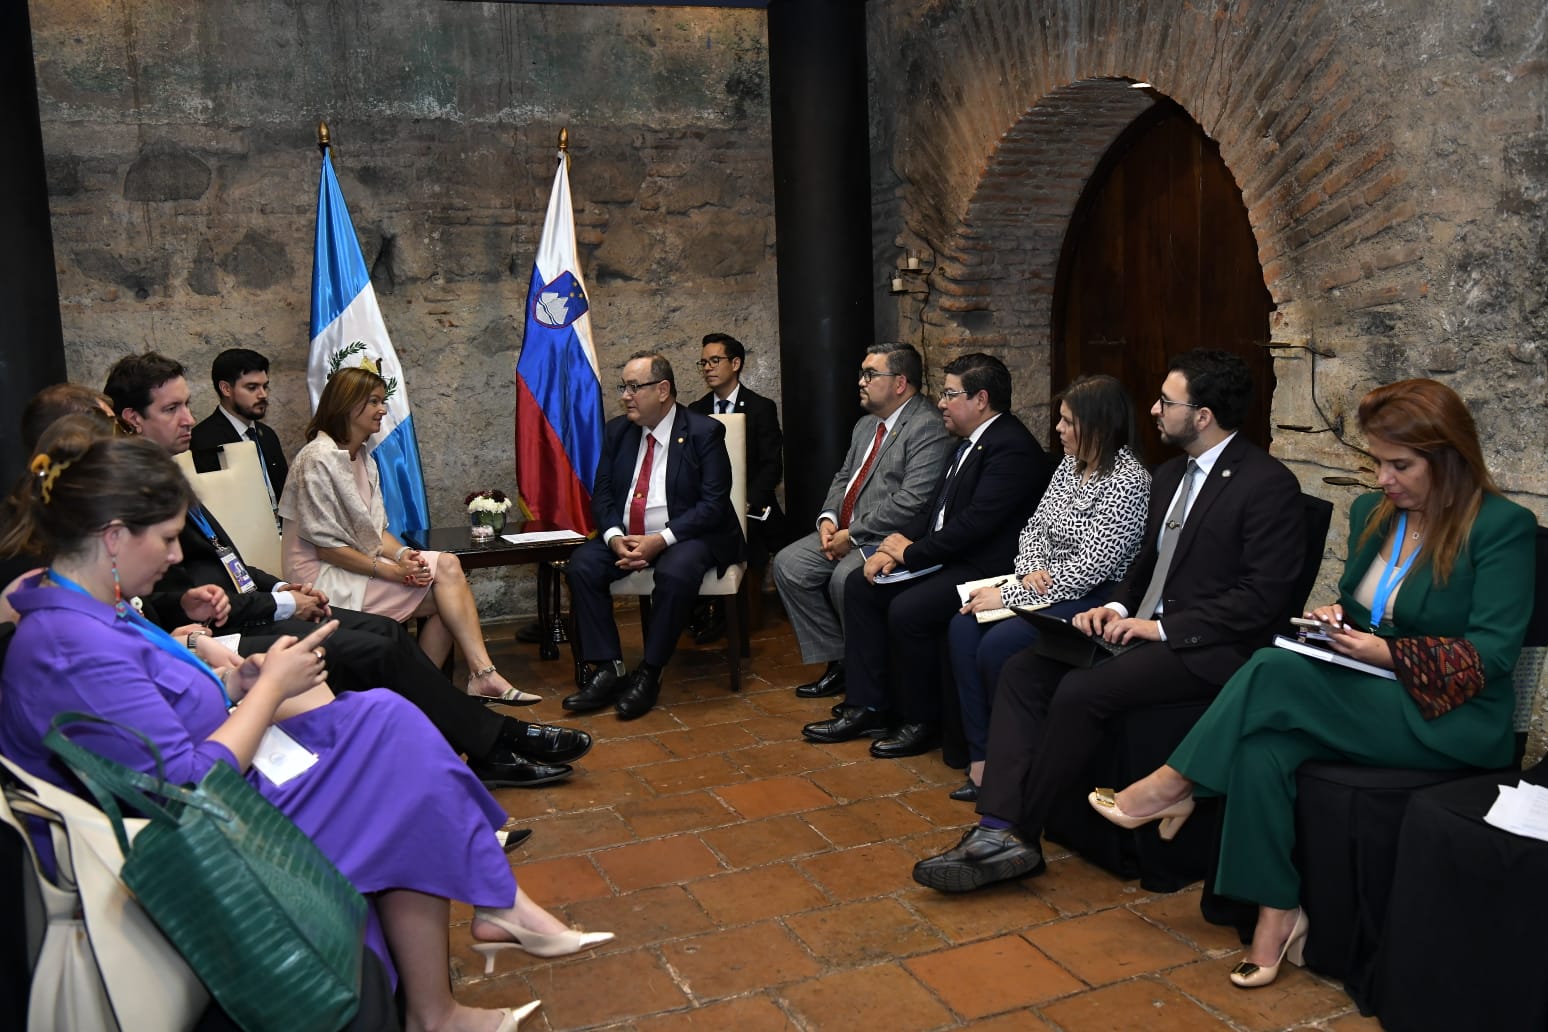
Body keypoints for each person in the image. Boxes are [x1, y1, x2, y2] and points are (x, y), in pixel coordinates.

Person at [0, 430, 616, 1032]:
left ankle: (468, 953)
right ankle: (477, 933)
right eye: (164, 539)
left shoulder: (86, 606)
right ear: (112, 537)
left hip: (218, 788)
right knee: (396, 766)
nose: (174, 557)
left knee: (384, 717)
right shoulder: (72, 645)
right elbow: (185, 789)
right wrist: (269, 690)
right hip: (202, 829)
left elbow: (158, 706)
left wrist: (236, 682)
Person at [1090, 378, 1536, 989]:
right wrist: (1339, 619)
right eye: (1377, 462)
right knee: (1260, 749)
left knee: (1271, 668)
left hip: (1452, 718)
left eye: (1400, 465)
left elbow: (1494, 654)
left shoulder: (1501, 526)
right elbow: (1368, 608)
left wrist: (1386, 651)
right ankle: (1278, 913)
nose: (1383, 478)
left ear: (1448, 456)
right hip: (1372, 693)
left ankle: (1175, 783)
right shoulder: (1373, 514)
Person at [912, 349, 1305, 894]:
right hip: (1139, 629)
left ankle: (1018, 835)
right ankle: (997, 824)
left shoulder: (1267, 485)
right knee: (1025, 669)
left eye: (1166, 402)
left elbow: (1261, 600)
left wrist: (1159, 628)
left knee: (1079, 689)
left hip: (1206, 648)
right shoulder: (1172, 474)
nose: (1153, 410)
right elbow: (1143, 566)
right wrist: (1116, 609)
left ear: (1203, 415)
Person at [104, 353, 583, 789]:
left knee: (388, 633)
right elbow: (168, 602)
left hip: (252, 605)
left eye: (187, 405)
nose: (189, 418)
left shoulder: (164, 475)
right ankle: (488, 741)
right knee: (377, 646)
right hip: (222, 631)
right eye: (172, 409)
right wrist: (285, 600)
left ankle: (469, 739)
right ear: (132, 418)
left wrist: (281, 586)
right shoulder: (132, 493)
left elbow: (227, 561)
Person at [801, 353, 1051, 759]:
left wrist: (911, 553)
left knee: (909, 610)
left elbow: (974, 526)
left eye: (950, 394)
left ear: (981, 399)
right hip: (952, 555)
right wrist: (892, 548)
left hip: (985, 568)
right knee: (860, 586)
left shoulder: (1011, 447)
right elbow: (933, 511)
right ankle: (868, 706)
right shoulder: (968, 440)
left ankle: (921, 720)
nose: (940, 403)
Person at [945, 374, 1151, 800]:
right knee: (962, 627)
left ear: (1099, 425)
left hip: (1093, 599)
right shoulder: (1069, 465)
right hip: (1041, 583)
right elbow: (1034, 528)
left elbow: (1091, 569)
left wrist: (1010, 594)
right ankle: (982, 756)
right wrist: (1030, 570)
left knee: (998, 645)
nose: (1058, 429)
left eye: (1068, 421)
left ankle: (1016, 765)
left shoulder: (1129, 481)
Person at [278, 366, 535, 704]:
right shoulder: (316, 458)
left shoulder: (362, 456)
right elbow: (327, 549)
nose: (383, 410)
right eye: (374, 401)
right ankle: (439, 689)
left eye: (382, 401)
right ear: (347, 404)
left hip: (358, 563)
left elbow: (376, 531)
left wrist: (403, 556)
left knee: (447, 570)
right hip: (320, 577)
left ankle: (464, 679)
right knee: (448, 599)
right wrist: (393, 572)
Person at [562, 351, 744, 719]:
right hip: (629, 535)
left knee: (676, 572)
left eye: (634, 387)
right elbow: (603, 495)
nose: (625, 396)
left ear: (662, 390)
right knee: (582, 565)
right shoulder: (617, 432)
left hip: (689, 535)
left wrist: (661, 540)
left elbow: (713, 505)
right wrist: (614, 538)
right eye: (623, 388)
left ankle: (650, 670)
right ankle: (609, 667)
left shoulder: (704, 432)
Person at [771, 342, 953, 701]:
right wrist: (828, 518)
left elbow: (912, 501)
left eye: (870, 374)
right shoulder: (866, 424)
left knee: (845, 578)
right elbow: (844, 477)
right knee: (789, 565)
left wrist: (852, 535)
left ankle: (867, 675)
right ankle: (840, 660)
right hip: (845, 528)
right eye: (862, 373)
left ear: (900, 383)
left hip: (886, 536)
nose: (861, 382)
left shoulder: (926, 426)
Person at [686, 332, 785, 643]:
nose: (708, 368)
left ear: (736, 363)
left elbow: (771, 466)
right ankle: (702, 608)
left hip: (752, 507)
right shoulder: (696, 410)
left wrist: (745, 501)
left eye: (715, 360)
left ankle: (727, 614)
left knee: (747, 533)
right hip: (710, 506)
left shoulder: (760, 407)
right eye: (703, 362)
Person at [190, 347, 290, 519]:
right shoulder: (203, 440)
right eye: (252, 387)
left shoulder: (267, 435)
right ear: (226, 389)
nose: (263, 395)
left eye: (265, 386)